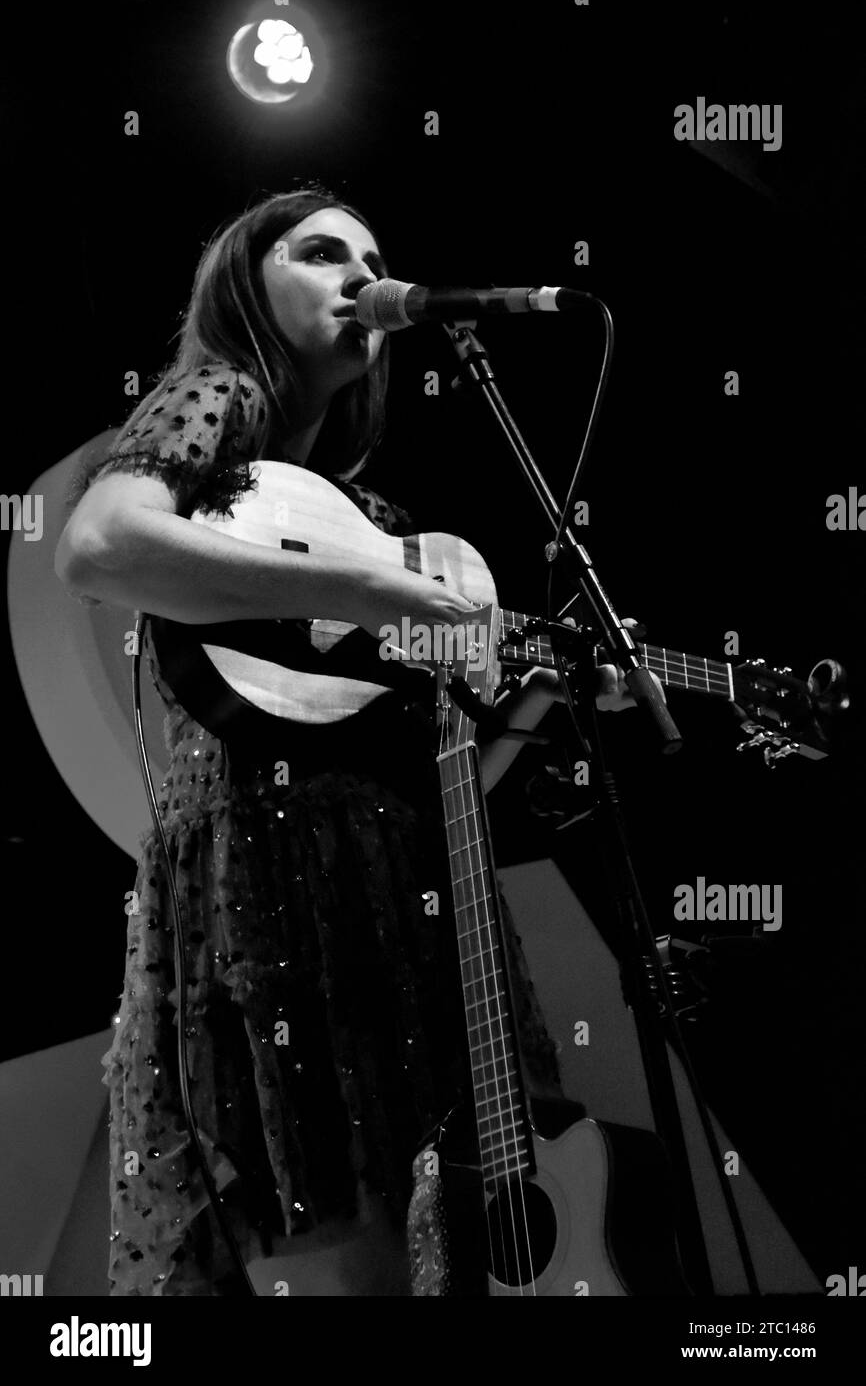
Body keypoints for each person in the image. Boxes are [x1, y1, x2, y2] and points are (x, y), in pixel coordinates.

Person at [55, 186, 651, 1297]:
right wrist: (372, 591)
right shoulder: (212, 399)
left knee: (435, 1242)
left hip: (399, 882)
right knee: (339, 1236)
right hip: (268, 878)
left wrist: (545, 695)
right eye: (321, 252)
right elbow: (98, 544)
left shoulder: (366, 513)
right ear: (247, 279)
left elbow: (442, 774)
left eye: (372, 258)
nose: (357, 275)